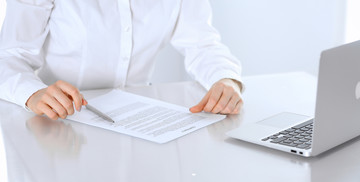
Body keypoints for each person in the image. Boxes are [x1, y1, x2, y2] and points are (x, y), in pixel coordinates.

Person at [0, 0, 243, 120]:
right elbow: (9, 56)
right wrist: (32, 93)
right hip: (60, 120)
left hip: (139, 120)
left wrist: (226, 79)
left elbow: (202, 44)